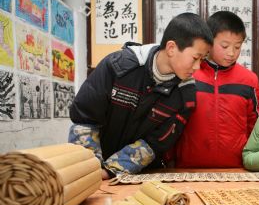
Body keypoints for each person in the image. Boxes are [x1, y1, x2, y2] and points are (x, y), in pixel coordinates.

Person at [69, 13, 213, 179]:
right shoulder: (119, 67)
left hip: (136, 175)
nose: (197, 67)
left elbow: (154, 143)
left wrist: (110, 171)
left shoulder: (185, 95)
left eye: (202, 60)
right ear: (171, 48)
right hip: (91, 169)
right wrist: (91, 171)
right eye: (195, 58)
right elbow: (85, 120)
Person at [174, 11, 259, 168]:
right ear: (208, 42)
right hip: (187, 167)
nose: (231, 53)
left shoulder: (249, 80)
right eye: (225, 46)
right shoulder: (189, 73)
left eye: (237, 46)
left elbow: (255, 126)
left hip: (236, 169)